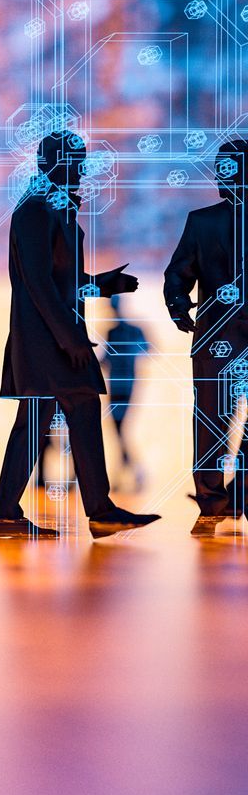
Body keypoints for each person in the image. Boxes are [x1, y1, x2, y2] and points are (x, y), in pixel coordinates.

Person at [0, 130, 158, 537]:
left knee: (41, 420)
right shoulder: (35, 211)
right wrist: (69, 337)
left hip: (52, 339)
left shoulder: (51, 210)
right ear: (47, 163)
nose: (80, 170)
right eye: (72, 161)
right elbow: (38, 283)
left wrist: (100, 285)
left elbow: (58, 281)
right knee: (65, 413)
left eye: (80, 161)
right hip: (48, 342)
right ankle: (94, 511)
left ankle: (14, 514)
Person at [165, 137, 248, 530]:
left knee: (211, 421)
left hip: (216, 335)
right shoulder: (203, 220)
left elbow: (177, 274)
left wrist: (179, 308)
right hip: (221, 335)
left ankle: (214, 503)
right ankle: (233, 497)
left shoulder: (202, 221)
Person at [101, 294, 145, 490]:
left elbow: (146, 349)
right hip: (119, 385)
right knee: (118, 429)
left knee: (119, 429)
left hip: (124, 386)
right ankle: (127, 470)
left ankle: (131, 469)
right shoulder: (117, 332)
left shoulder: (126, 331)